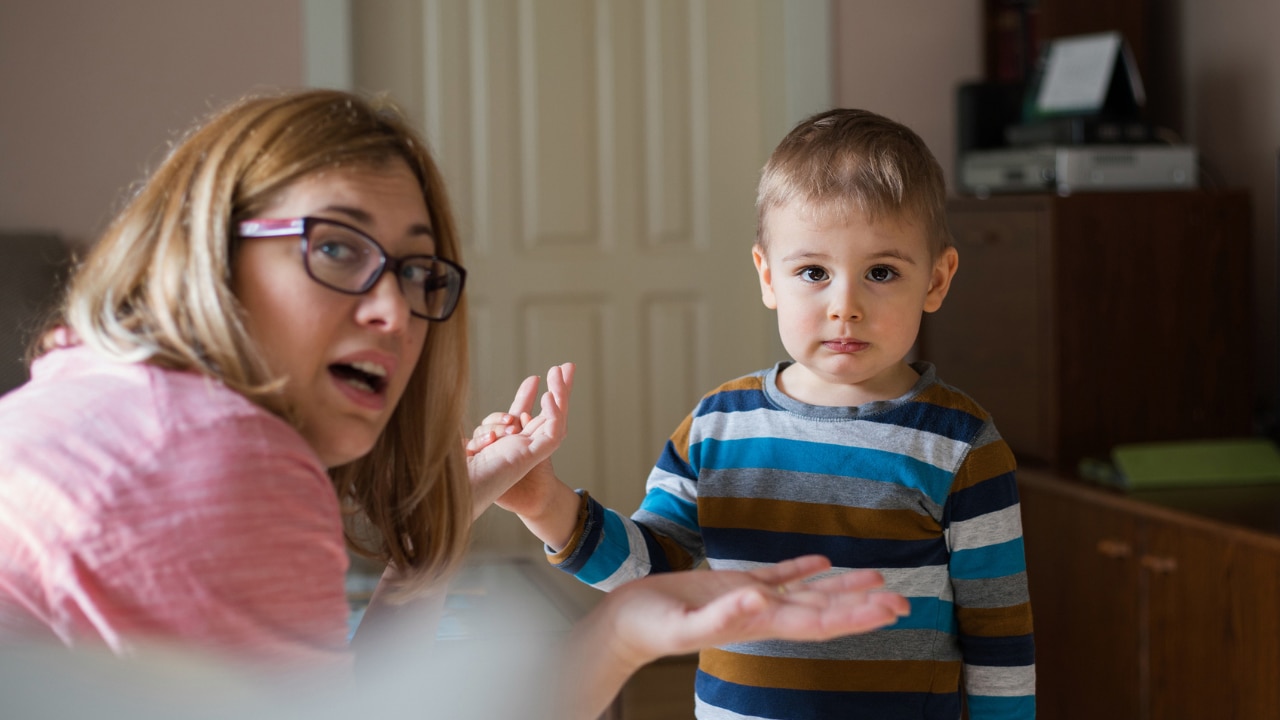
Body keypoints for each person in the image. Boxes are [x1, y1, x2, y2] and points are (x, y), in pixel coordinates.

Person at [0, 89, 909, 720]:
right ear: (208, 248)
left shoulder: (94, 387)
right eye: (337, 249)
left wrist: (464, 503)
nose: (396, 308)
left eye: (417, 269)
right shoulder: (216, 454)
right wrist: (622, 627)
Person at [477, 108, 1036, 719]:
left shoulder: (961, 446)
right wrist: (543, 503)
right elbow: (650, 577)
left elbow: (1000, 636)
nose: (843, 306)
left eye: (880, 272)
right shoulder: (718, 427)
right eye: (813, 272)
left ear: (936, 278)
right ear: (769, 277)